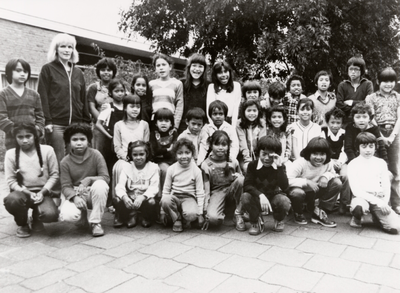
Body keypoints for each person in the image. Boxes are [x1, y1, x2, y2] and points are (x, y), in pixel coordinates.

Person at [38, 33, 90, 164]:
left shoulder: (78, 73)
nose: (67, 50)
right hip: (56, 124)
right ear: (56, 49)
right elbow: (42, 96)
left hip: (76, 124)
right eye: (63, 46)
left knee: (75, 159)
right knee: (58, 159)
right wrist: (47, 120)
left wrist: (86, 121)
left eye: (70, 47)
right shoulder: (48, 69)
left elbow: (83, 98)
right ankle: (58, 185)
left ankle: (72, 185)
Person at [4, 122, 59, 238]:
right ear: (15, 138)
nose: (24, 140)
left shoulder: (48, 150)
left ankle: (36, 218)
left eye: (28, 136)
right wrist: (28, 193)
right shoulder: (10, 154)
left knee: (51, 214)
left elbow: (54, 175)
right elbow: (11, 181)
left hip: (43, 191)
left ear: (35, 136)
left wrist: (42, 192)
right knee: (12, 200)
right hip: (22, 192)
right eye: (20, 137)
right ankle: (22, 223)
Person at [59, 123, 109, 237]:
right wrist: (75, 197)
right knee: (68, 215)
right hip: (76, 192)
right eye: (74, 139)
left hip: (92, 191)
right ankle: (82, 216)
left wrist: (89, 179)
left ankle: (95, 222)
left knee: (101, 184)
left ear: (88, 141)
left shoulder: (96, 155)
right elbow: (65, 186)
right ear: (68, 142)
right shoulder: (65, 161)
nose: (79, 143)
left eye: (82, 139)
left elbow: (105, 178)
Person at [348, 132, 399, 234]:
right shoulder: (353, 164)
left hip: (378, 197)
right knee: (359, 206)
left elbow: (386, 185)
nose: (368, 150)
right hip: (361, 198)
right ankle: (357, 218)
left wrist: (384, 203)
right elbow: (356, 190)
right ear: (357, 148)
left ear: (375, 147)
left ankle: (378, 218)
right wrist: (379, 203)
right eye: (364, 146)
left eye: (371, 146)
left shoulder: (381, 163)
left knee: (395, 228)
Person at [365, 67, 400, 215]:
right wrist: (380, 136)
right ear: (378, 81)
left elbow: (399, 118)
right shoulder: (371, 98)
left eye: (391, 81)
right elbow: (370, 118)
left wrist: (391, 136)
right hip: (376, 132)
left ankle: (396, 203)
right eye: (385, 81)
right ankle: (376, 203)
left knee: (394, 169)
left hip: (394, 133)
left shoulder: (398, 97)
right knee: (376, 168)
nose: (388, 84)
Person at [287, 137, 342, 228]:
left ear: (327, 154)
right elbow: (287, 180)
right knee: (297, 193)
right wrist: (306, 181)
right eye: (315, 154)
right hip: (299, 191)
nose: (318, 157)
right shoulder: (300, 163)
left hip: (315, 191)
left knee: (337, 183)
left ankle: (320, 211)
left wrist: (325, 176)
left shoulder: (328, 163)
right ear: (309, 153)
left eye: (322, 154)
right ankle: (298, 212)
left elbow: (333, 174)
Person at [241, 136, 290, 235]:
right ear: (258, 153)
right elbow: (247, 185)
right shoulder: (252, 165)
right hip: (257, 198)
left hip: (273, 197)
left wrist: (279, 167)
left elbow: (285, 187)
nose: (267, 158)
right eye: (264, 154)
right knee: (245, 197)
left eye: (271, 155)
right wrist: (260, 195)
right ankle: (255, 221)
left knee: (284, 201)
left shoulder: (279, 166)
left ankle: (279, 219)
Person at [200, 130, 244, 230]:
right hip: (216, 193)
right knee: (213, 219)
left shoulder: (233, 161)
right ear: (211, 145)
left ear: (228, 146)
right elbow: (206, 191)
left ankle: (238, 213)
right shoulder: (206, 165)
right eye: (217, 144)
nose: (220, 148)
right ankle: (223, 212)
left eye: (224, 145)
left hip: (231, 191)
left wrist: (238, 176)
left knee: (242, 180)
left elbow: (242, 183)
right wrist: (205, 211)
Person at [0, 58, 45, 150]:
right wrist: (17, 132)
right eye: (18, 70)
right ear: (9, 72)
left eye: (25, 71)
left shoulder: (34, 94)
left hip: (33, 140)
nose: (22, 74)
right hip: (12, 141)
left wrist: (37, 131)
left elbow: (40, 117)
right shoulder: (3, 94)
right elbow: (1, 118)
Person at [161, 139, 205, 232]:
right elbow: (166, 190)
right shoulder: (171, 169)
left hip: (189, 198)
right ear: (175, 155)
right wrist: (162, 211)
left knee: (192, 214)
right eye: (180, 153)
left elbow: (200, 193)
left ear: (192, 154)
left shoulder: (196, 170)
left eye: (187, 153)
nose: (184, 156)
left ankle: (184, 216)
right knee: (165, 200)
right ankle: (177, 219)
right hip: (175, 197)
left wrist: (200, 214)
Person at [114, 141, 159, 228]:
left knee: (152, 202)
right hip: (131, 199)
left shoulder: (153, 168)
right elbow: (120, 186)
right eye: (135, 155)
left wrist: (143, 197)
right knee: (117, 199)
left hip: (144, 198)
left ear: (147, 154)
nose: (138, 157)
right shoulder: (127, 167)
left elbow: (154, 187)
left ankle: (145, 216)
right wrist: (125, 197)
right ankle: (130, 215)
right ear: (131, 155)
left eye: (141, 154)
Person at [320, 107, 349, 214]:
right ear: (327, 122)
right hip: (327, 161)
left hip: (341, 161)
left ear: (342, 123)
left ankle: (344, 203)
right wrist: (331, 162)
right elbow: (322, 149)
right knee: (327, 176)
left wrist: (340, 162)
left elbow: (345, 150)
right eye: (332, 122)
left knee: (345, 176)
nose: (335, 125)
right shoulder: (323, 132)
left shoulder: (344, 133)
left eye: (338, 123)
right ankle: (327, 204)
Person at [87, 58, 117, 153]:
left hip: (115, 126)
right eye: (103, 70)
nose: (106, 72)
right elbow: (91, 107)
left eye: (109, 70)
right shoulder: (93, 88)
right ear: (98, 71)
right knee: (98, 153)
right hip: (98, 127)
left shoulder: (118, 87)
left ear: (113, 72)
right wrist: (102, 122)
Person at [95, 79, 126, 169]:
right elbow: (98, 124)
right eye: (116, 91)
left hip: (122, 140)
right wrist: (110, 137)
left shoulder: (126, 107)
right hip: (109, 141)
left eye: (122, 91)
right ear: (111, 93)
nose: (120, 93)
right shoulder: (108, 106)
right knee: (109, 163)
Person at [149, 53, 184, 132]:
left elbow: (179, 106)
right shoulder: (151, 84)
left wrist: (175, 126)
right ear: (155, 69)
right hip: (154, 122)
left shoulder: (177, 84)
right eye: (158, 66)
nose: (161, 68)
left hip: (169, 122)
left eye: (164, 65)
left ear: (170, 67)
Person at [197, 100, 239, 165]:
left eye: (221, 114)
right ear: (210, 116)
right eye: (215, 114)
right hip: (210, 159)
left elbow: (234, 146)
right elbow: (204, 147)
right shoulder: (207, 128)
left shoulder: (230, 128)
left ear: (225, 115)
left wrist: (230, 159)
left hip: (226, 158)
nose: (218, 116)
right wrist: (200, 162)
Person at [336, 56, 373, 125]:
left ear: (361, 71)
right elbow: (339, 104)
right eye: (350, 69)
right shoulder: (342, 85)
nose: (353, 72)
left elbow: (369, 103)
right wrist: (360, 105)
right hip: (346, 122)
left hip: (363, 121)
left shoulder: (368, 84)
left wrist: (352, 102)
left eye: (356, 69)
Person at [178, 53, 209, 133]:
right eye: (194, 65)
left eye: (200, 66)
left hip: (202, 126)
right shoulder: (181, 83)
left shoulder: (209, 86)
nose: (197, 69)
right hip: (183, 126)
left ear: (204, 69)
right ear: (189, 67)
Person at [206, 61, 241, 127]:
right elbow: (209, 108)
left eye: (225, 71)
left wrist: (233, 128)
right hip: (215, 121)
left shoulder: (236, 86)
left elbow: (236, 108)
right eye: (220, 73)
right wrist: (213, 126)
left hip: (230, 121)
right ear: (215, 75)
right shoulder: (211, 87)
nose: (224, 75)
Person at [236, 99, 265, 173]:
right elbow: (242, 143)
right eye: (249, 111)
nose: (252, 113)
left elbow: (262, 142)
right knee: (247, 168)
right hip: (244, 156)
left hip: (258, 154)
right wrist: (247, 160)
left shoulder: (261, 123)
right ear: (243, 112)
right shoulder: (239, 124)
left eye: (254, 111)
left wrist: (261, 158)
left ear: (258, 111)